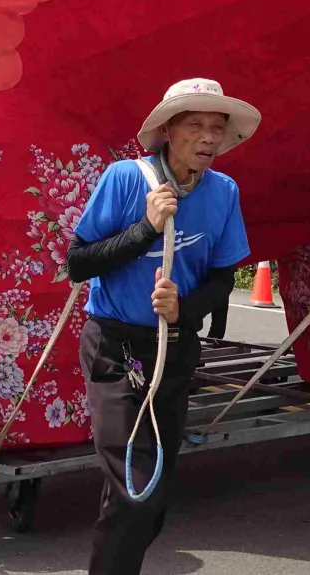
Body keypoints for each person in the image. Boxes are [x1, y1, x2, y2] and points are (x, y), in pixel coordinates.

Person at [67, 78, 258, 575]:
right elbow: (79, 263)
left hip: (173, 350)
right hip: (115, 347)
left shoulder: (224, 192)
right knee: (136, 484)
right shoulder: (125, 179)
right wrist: (146, 229)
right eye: (195, 125)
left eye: (217, 128)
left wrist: (184, 310)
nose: (208, 137)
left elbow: (223, 279)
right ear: (168, 131)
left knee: (152, 493)